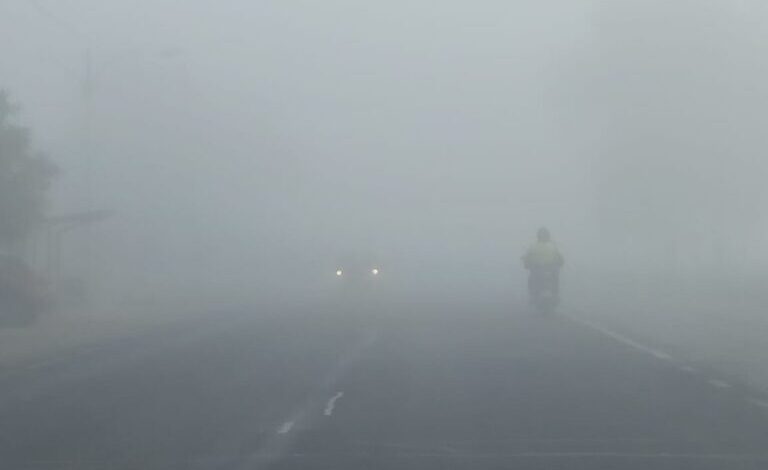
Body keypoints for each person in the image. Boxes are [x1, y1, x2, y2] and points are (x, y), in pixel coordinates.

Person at [522, 227, 564, 301]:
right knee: (555, 279)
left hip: (538, 270)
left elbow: (527, 259)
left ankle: (533, 295)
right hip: (549, 270)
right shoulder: (553, 246)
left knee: (532, 279)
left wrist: (526, 263)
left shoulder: (533, 246)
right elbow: (560, 260)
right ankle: (555, 295)